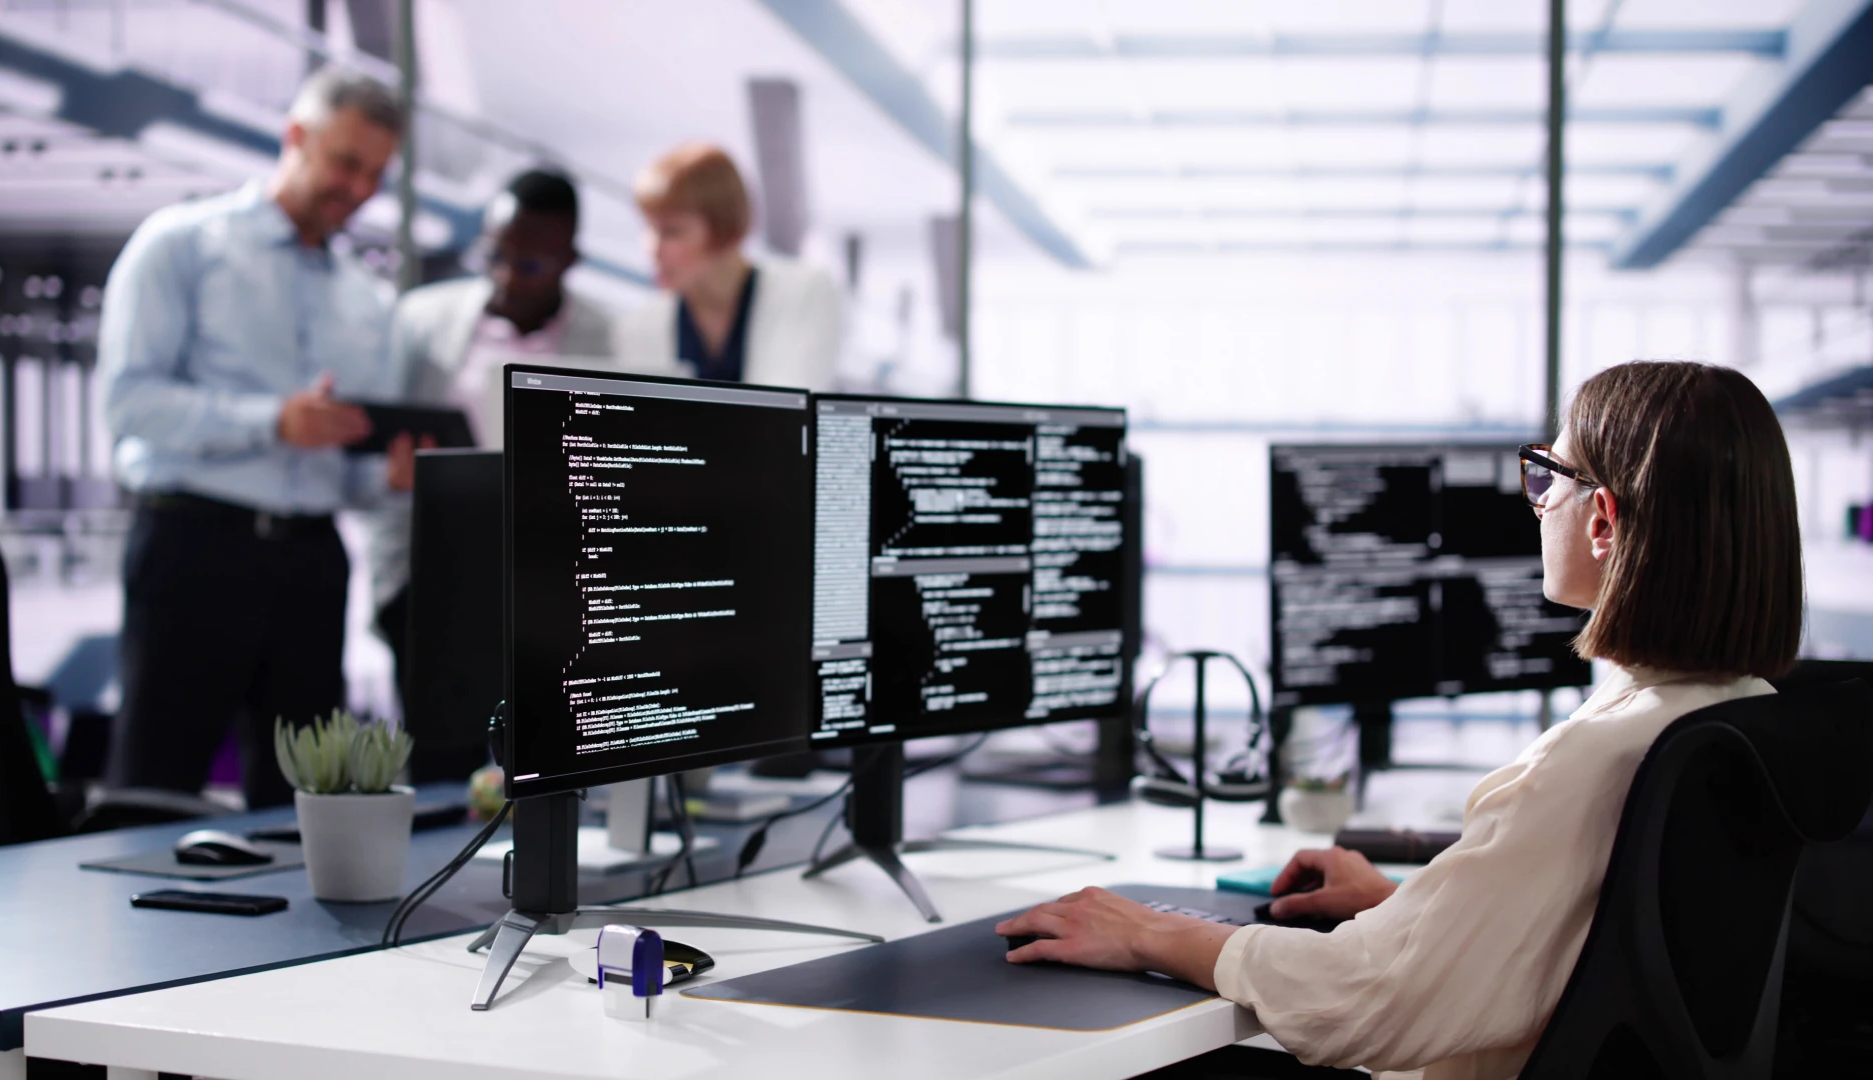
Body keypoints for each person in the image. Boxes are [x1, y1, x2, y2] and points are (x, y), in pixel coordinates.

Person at [996, 361, 1804, 1080]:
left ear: (1602, 521)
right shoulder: (1738, 718)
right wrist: (1402, 905)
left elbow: (1365, 1002)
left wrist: (1147, 931)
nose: (1536, 502)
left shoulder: (1594, 765)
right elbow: (1593, 948)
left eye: (1547, 475)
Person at [98, 69, 418, 808]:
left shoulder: (366, 303)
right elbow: (128, 402)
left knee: (308, 804)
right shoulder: (182, 245)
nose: (359, 188)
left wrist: (389, 480)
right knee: (152, 783)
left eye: (375, 173)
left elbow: (348, 477)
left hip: (311, 565)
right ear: (295, 138)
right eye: (346, 163)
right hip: (193, 547)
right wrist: (271, 420)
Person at [371, 168, 669, 776]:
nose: (507, 277)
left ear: (568, 260)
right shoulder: (421, 320)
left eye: (529, 264)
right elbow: (385, 440)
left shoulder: (611, 339)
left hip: (554, 592)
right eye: (494, 256)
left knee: (546, 765)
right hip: (434, 582)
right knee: (437, 765)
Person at [615, 142, 842, 391]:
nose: (651, 249)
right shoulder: (639, 326)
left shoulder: (805, 293)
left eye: (671, 232)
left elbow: (785, 412)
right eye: (648, 229)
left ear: (723, 229)